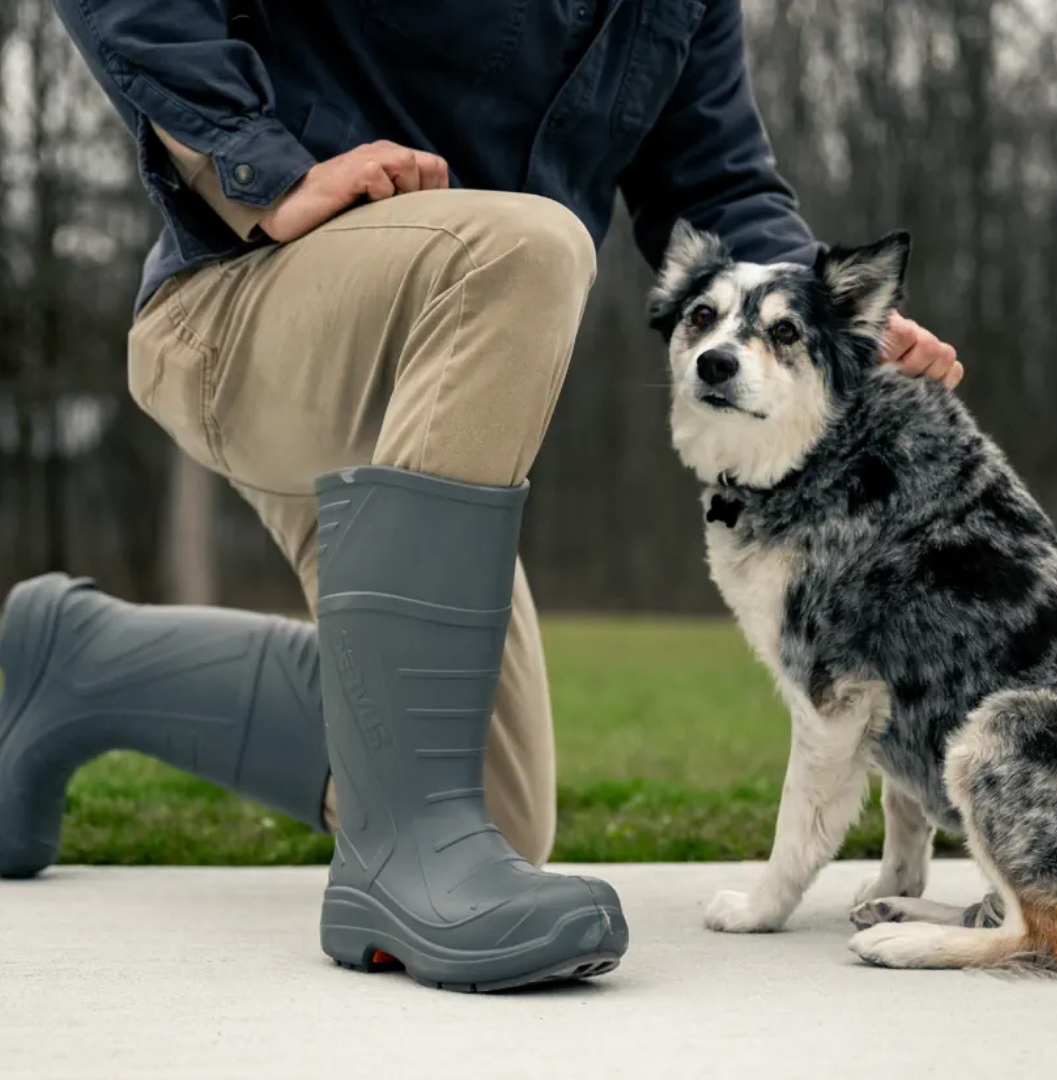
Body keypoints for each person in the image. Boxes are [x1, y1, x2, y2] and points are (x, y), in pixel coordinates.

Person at [0, 0, 960, 991]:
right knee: (525, 246)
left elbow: (713, 182)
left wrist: (829, 322)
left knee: (492, 809)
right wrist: (262, 167)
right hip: (243, 307)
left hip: (439, 368)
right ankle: (396, 858)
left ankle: (85, 667)